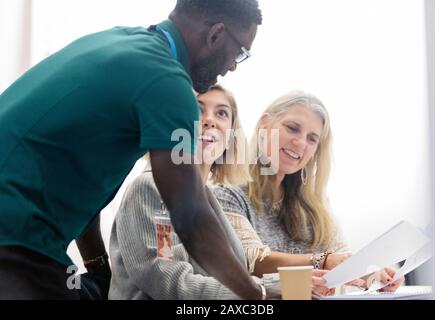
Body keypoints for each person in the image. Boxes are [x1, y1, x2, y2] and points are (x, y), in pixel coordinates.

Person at [0, 0, 268, 299]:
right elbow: (189, 219)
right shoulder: (166, 80)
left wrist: (99, 268)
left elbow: (82, 178)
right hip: (15, 234)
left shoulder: (118, 42)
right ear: (216, 34)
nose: (233, 65)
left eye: (223, 114)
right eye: (240, 52)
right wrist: (257, 297)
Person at [109, 85, 333, 299]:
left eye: (222, 113)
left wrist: (286, 285)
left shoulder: (206, 201)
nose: (209, 120)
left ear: (230, 137)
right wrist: (263, 292)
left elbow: (235, 279)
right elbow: (167, 277)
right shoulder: (154, 190)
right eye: (198, 109)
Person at [213, 90, 404, 292]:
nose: (301, 143)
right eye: (292, 128)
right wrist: (322, 261)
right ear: (264, 123)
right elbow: (251, 259)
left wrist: (371, 274)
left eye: (312, 139)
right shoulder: (227, 194)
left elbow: (340, 259)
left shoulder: (315, 205)